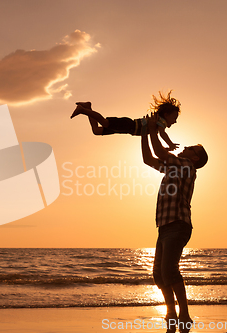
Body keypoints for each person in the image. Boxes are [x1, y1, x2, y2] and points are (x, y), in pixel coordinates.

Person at [141, 111, 208, 333]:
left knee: (169, 270)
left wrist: (152, 129)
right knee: (159, 275)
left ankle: (184, 315)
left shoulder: (186, 166)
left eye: (191, 148)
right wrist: (144, 132)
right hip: (165, 226)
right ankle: (171, 313)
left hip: (178, 225)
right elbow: (149, 159)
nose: (185, 147)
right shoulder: (175, 166)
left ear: (195, 158)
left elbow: (159, 151)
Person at [71, 91, 180, 151]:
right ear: (166, 115)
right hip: (128, 125)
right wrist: (170, 144)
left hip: (127, 128)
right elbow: (162, 134)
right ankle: (83, 110)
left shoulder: (156, 122)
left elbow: (156, 138)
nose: (175, 121)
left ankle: (87, 108)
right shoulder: (161, 122)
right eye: (174, 118)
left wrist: (164, 149)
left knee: (96, 130)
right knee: (104, 122)